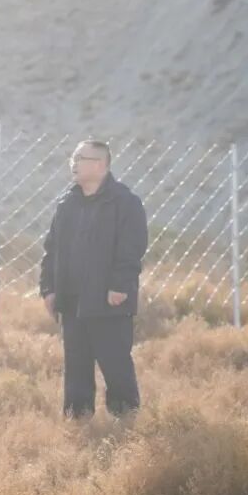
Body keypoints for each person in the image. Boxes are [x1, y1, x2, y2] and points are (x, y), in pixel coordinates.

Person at [39, 140, 148, 419]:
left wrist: (119, 286)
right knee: (76, 368)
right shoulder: (67, 203)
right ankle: (78, 422)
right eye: (73, 158)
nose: (73, 163)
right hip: (72, 301)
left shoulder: (125, 203)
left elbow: (132, 248)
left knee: (116, 364)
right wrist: (48, 289)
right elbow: (51, 250)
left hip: (109, 300)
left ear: (100, 165)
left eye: (80, 158)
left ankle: (126, 421)